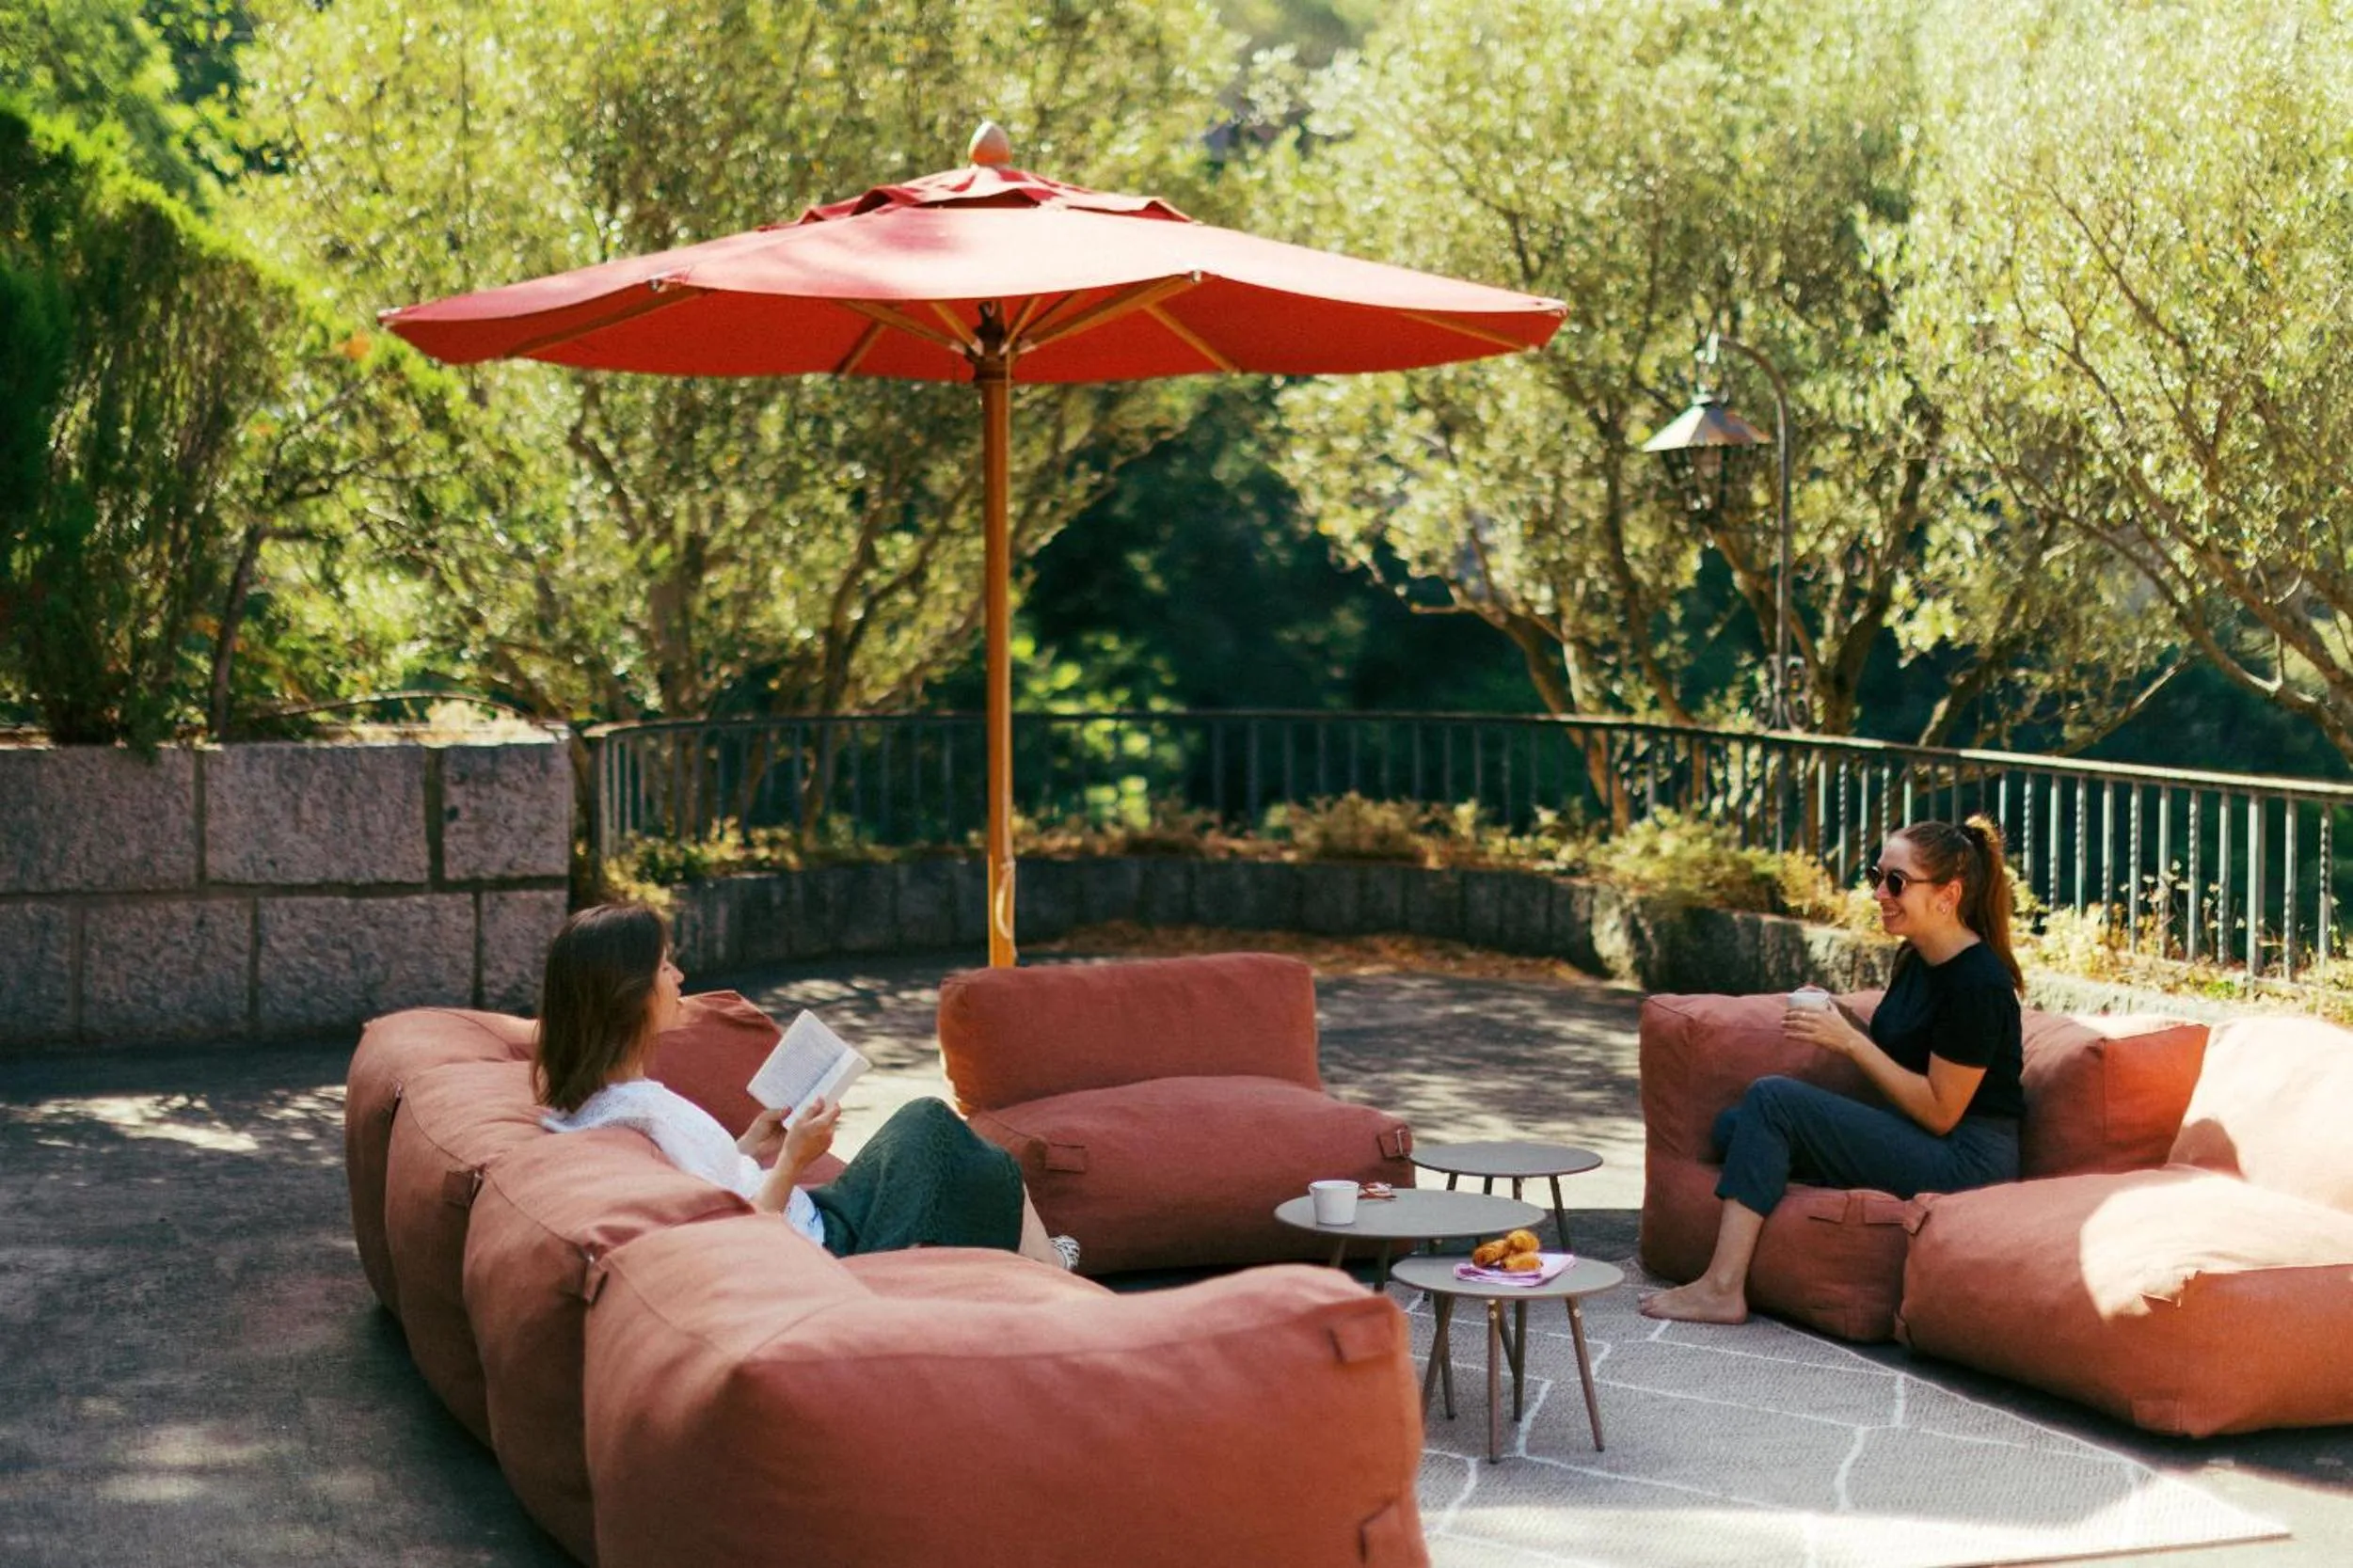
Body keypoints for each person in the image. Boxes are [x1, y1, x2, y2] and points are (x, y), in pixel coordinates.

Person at [533, 902, 1078, 1270]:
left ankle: (1046, 1264)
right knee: (941, 1134)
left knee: (950, 1140)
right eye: (664, 968)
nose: (678, 979)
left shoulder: (614, 1103)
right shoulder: (634, 1115)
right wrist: (793, 1157)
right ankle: (1051, 1271)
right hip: (818, 1247)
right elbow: (737, 1236)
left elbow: (706, 1184)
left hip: (810, 1214)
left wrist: (752, 1144)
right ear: (628, 996)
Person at [1640, 816, 2024, 1324]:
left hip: (1967, 1162)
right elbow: (1897, 1055)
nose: (1879, 893)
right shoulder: (1916, 958)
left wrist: (1847, 1043)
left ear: (1947, 895)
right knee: (1734, 1128)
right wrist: (1839, 1018)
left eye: (1896, 882)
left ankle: (1722, 1287)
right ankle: (1775, 1201)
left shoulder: (1978, 983)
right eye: (1875, 876)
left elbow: (1940, 1111)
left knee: (1772, 1102)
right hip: (1922, 1136)